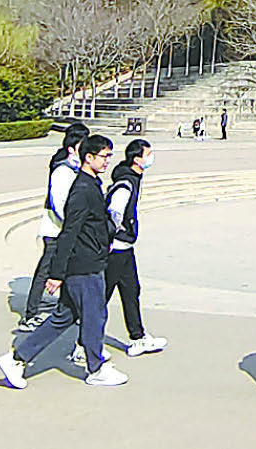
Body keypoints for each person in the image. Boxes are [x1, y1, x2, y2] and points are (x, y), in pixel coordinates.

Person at [0, 134, 127, 389]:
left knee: (63, 318)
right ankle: (96, 368)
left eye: (109, 156)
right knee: (94, 316)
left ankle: (16, 359)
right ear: (88, 157)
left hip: (89, 261)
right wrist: (56, 273)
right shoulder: (81, 190)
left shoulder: (92, 184)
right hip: (84, 266)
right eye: (104, 156)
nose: (107, 161)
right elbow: (68, 233)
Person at [19, 122, 88, 332]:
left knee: (67, 268)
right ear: (73, 146)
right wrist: (70, 226)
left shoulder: (73, 166)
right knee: (46, 269)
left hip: (65, 229)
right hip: (55, 229)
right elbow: (58, 202)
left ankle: (66, 308)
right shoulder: (63, 169)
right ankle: (30, 314)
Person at [105, 139, 166, 357]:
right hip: (116, 248)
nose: (151, 158)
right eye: (147, 154)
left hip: (125, 248)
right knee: (102, 296)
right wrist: (119, 231)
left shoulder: (134, 178)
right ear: (137, 159)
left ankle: (138, 337)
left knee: (131, 290)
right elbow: (115, 211)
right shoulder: (126, 182)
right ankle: (82, 343)